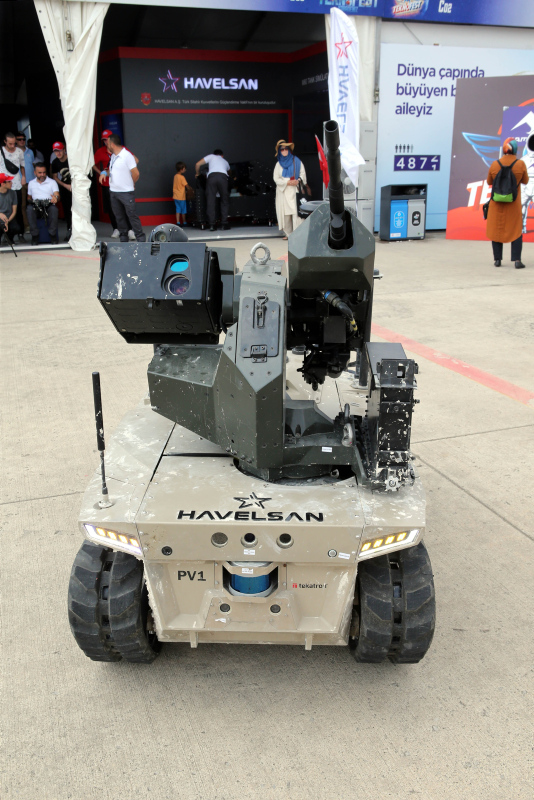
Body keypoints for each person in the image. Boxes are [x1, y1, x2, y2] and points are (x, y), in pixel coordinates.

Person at [486, 137, 529, 269]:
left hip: (496, 204)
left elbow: (489, 182)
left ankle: (497, 260)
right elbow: (525, 181)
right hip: (513, 204)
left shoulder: (495, 164)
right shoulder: (520, 164)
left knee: (496, 231)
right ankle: (517, 260)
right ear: (515, 150)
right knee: (516, 231)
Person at [101, 133, 145, 242]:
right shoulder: (113, 156)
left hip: (126, 192)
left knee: (131, 215)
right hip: (114, 192)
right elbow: (111, 170)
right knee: (119, 216)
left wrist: (131, 183)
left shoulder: (126, 155)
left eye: (108, 143)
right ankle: (123, 238)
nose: (107, 145)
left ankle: (141, 239)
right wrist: (104, 173)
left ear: (112, 144)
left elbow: (136, 173)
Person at [273, 139, 306, 240]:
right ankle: (289, 234)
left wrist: (298, 180)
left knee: (296, 213)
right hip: (283, 191)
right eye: (282, 149)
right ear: (279, 151)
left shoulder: (297, 161)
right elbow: (276, 178)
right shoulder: (278, 164)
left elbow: (302, 173)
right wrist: (286, 182)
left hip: (294, 190)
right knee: (286, 214)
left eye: (286, 149)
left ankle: (297, 234)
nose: (284, 151)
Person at [93, 129, 120, 238]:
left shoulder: (120, 150)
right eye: (104, 140)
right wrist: (100, 173)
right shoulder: (100, 151)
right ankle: (116, 228)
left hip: (120, 183)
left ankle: (128, 229)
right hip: (107, 184)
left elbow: (133, 160)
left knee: (123, 206)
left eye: (107, 139)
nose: (105, 142)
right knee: (111, 207)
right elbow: (92, 164)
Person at [195, 148, 230, 231]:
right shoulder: (225, 161)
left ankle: (212, 225)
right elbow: (229, 172)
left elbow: (197, 164)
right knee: (224, 201)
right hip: (223, 178)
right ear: (222, 155)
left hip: (212, 178)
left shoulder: (211, 156)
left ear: (214, 154)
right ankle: (224, 224)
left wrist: (197, 174)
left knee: (211, 201)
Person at [1, 131, 26, 242]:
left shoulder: (19, 151)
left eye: (14, 143)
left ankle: (20, 233)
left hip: (16, 184)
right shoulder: (1, 151)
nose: (12, 146)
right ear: (5, 142)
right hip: (3, 184)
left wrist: (23, 177)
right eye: (10, 143)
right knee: (3, 209)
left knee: (18, 209)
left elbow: (22, 166)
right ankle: (5, 235)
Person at [26, 162, 60, 245]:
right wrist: (31, 201)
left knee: (54, 209)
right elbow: (29, 197)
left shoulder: (52, 182)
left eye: (44, 172)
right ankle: (35, 235)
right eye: (40, 173)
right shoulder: (31, 183)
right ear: (35, 173)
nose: (42, 175)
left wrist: (55, 198)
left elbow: (57, 195)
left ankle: (52, 234)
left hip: (48, 205)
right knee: (29, 209)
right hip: (36, 206)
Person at [50, 142, 72, 242]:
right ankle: (69, 231)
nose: (58, 153)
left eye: (59, 150)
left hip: (76, 185)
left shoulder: (71, 158)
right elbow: (54, 177)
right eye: (55, 151)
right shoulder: (55, 162)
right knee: (67, 210)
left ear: (64, 150)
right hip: (65, 187)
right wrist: (65, 185)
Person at [16, 132, 34, 234]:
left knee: (34, 203)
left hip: (32, 182)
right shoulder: (15, 152)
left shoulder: (30, 151)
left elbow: (33, 165)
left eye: (23, 139)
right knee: (23, 205)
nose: (22, 141)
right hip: (21, 182)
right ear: (16, 141)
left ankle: (35, 224)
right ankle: (26, 226)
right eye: (19, 139)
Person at [0, 173, 20, 245]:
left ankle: (9, 238)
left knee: (16, 228)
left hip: (9, 218)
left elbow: (14, 211)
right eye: (9, 181)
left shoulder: (13, 193)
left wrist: (7, 221)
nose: (11, 183)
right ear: (2, 184)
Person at [173, 161, 191, 226]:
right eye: (184, 169)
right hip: (181, 197)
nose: (185, 170)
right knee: (183, 210)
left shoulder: (175, 176)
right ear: (181, 169)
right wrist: (190, 189)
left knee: (178, 209)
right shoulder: (182, 177)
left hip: (176, 196)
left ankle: (178, 222)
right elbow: (186, 186)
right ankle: (184, 222)